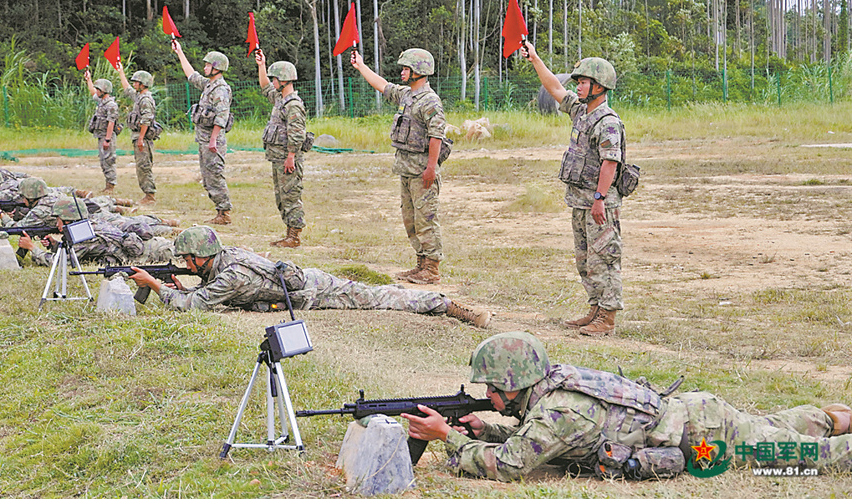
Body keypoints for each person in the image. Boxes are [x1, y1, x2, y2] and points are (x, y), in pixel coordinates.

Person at [402, 331, 852, 481]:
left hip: (704, 436)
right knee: (767, 426)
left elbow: (514, 464)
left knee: (807, 460)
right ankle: (832, 417)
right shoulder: (552, 395)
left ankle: (834, 431)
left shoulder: (561, 409)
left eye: (493, 388)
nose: (492, 396)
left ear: (513, 382)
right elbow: (540, 440)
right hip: (697, 416)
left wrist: (449, 438)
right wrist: (484, 429)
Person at [127, 226, 490, 327]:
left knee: (380, 297)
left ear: (200, 256)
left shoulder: (232, 274)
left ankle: (447, 306)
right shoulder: (225, 258)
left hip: (316, 292)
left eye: (187, 261)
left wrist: (157, 286)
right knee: (377, 293)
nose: (186, 265)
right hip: (303, 285)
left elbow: (196, 306)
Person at [521, 43, 625, 337]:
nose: (578, 86)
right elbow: (554, 88)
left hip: (598, 203)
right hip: (580, 202)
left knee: (605, 257)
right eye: (577, 82)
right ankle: (594, 309)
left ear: (599, 86)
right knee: (585, 260)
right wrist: (536, 59)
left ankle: (607, 317)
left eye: (583, 82)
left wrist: (599, 199)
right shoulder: (581, 111)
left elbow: (609, 164)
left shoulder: (607, 121)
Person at [350, 49, 447, 285]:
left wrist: (431, 169)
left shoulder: (430, 101)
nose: (402, 72)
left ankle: (432, 269)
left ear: (419, 71)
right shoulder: (406, 95)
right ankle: (421, 265)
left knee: (426, 219)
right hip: (406, 169)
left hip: (422, 171)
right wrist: (361, 66)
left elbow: (436, 136)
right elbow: (382, 85)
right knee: (410, 219)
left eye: (406, 68)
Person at [171, 41, 233, 224]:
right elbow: (191, 75)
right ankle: (220, 211)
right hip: (205, 139)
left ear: (216, 68)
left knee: (215, 175)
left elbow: (221, 117)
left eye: (207, 64)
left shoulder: (220, 89)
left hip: (212, 141)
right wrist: (179, 52)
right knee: (208, 177)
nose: (204, 67)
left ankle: (224, 212)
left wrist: (213, 140)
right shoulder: (209, 85)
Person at [18, 197, 173, 267]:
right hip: (156, 246)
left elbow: (61, 263)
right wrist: (55, 245)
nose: (56, 223)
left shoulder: (85, 234)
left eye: (58, 219)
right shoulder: (88, 225)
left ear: (68, 220)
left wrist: (32, 248)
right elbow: (82, 254)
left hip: (159, 251)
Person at [254, 50, 308, 247]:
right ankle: (289, 233)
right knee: (282, 196)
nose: (272, 81)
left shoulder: (293, 104)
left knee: (291, 195)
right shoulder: (280, 99)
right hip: (278, 157)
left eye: (275, 78)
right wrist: (261, 65)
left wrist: (291, 156)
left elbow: (297, 133)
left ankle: (294, 236)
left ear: (284, 80)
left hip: (287, 158)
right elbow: (264, 87)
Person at [116, 63, 159, 206]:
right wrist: (120, 71)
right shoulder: (139, 97)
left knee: (144, 166)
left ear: (143, 84)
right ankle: (148, 193)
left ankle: (150, 195)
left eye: (136, 81)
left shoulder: (145, 100)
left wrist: (141, 138)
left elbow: (146, 120)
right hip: (138, 137)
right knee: (141, 166)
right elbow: (127, 89)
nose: (134, 83)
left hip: (143, 138)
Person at [84, 70, 121, 194]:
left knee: (109, 159)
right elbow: (93, 93)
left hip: (107, 136)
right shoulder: (102, 101)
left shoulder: (111, 105)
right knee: (103, 160)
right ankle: (107, 184)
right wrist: (88, 79)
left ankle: (110, 185)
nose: (97, 91)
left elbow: (111, 122)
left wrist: (107, 139)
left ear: (104, 90)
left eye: (99, 89)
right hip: (100, 135)